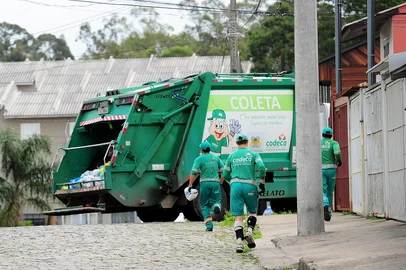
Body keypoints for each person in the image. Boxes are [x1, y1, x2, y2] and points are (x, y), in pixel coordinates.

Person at [222, 134, 266, 253]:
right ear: (247, 142)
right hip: (250, 186)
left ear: (236, 143)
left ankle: (239, 243)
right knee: (252, 211)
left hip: (235, 186)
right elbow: (262, 167)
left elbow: (225, 174)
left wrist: (232, 181)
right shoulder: (253, 154)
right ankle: (250, 231)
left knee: (238, 215)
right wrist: (262, 182)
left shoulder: (232, 156)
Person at [188, 141, 224, 231]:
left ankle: (209, 226)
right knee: (216, 200)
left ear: (201, 150)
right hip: (215, 183)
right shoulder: (216, 158)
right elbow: (224, 170)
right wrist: (221, 181)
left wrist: (190, 184)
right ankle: (216, 206)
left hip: (204, 184)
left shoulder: (199, 159)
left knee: (204, 204)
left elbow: (193, 172)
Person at [321, 127, 342, 222]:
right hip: (332, 170)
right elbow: (337, 152)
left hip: (321, 170)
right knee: (330, 192)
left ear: (322, 134)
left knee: (323, 190)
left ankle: (325, 203)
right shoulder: (334, 143)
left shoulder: (318, 143)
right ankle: (328, 213)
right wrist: (339, 161)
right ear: (331, 135)